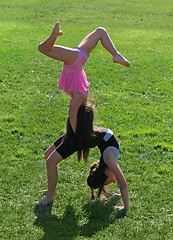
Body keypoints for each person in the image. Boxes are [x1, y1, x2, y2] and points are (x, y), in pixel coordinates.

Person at [38, 22, 131, 133]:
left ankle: (116, 54)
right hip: (74, 60)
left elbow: (73, 115)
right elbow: (72, 116)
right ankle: (54, 35)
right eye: (71, 108)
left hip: (81, 57)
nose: (69, 107)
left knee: (100, 31)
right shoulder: (78, 99)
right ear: (79, 109)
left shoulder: (82, 93)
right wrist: (76, 133)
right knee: (42, 48)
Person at [36, 104, 129, 210]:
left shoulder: (108, 162)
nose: (113, 181)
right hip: (84, 136)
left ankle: (50, 193)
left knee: (50, 159)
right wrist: (125, 207)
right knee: (49, 156)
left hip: (87, 133)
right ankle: (50, 196)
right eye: (109, 182)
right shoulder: (110, 162)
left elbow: (122, 183)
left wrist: (122, 195)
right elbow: (123, 184)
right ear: (107, 172)